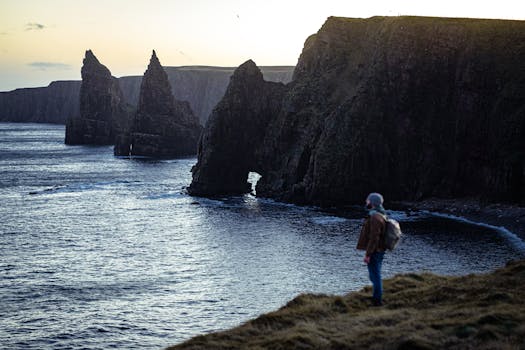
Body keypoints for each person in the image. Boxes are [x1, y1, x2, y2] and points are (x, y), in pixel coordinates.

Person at [356, 192, 387, 306]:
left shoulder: (375, 217)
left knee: (375, 274)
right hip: (379, 250)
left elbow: (374, 238)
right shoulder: (380, 214)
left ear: (372, 203)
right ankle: (377, 296)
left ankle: (377, 300)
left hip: (375, 251)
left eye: (368, 201)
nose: (366, 202)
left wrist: (368, 254)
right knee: (374, 274)